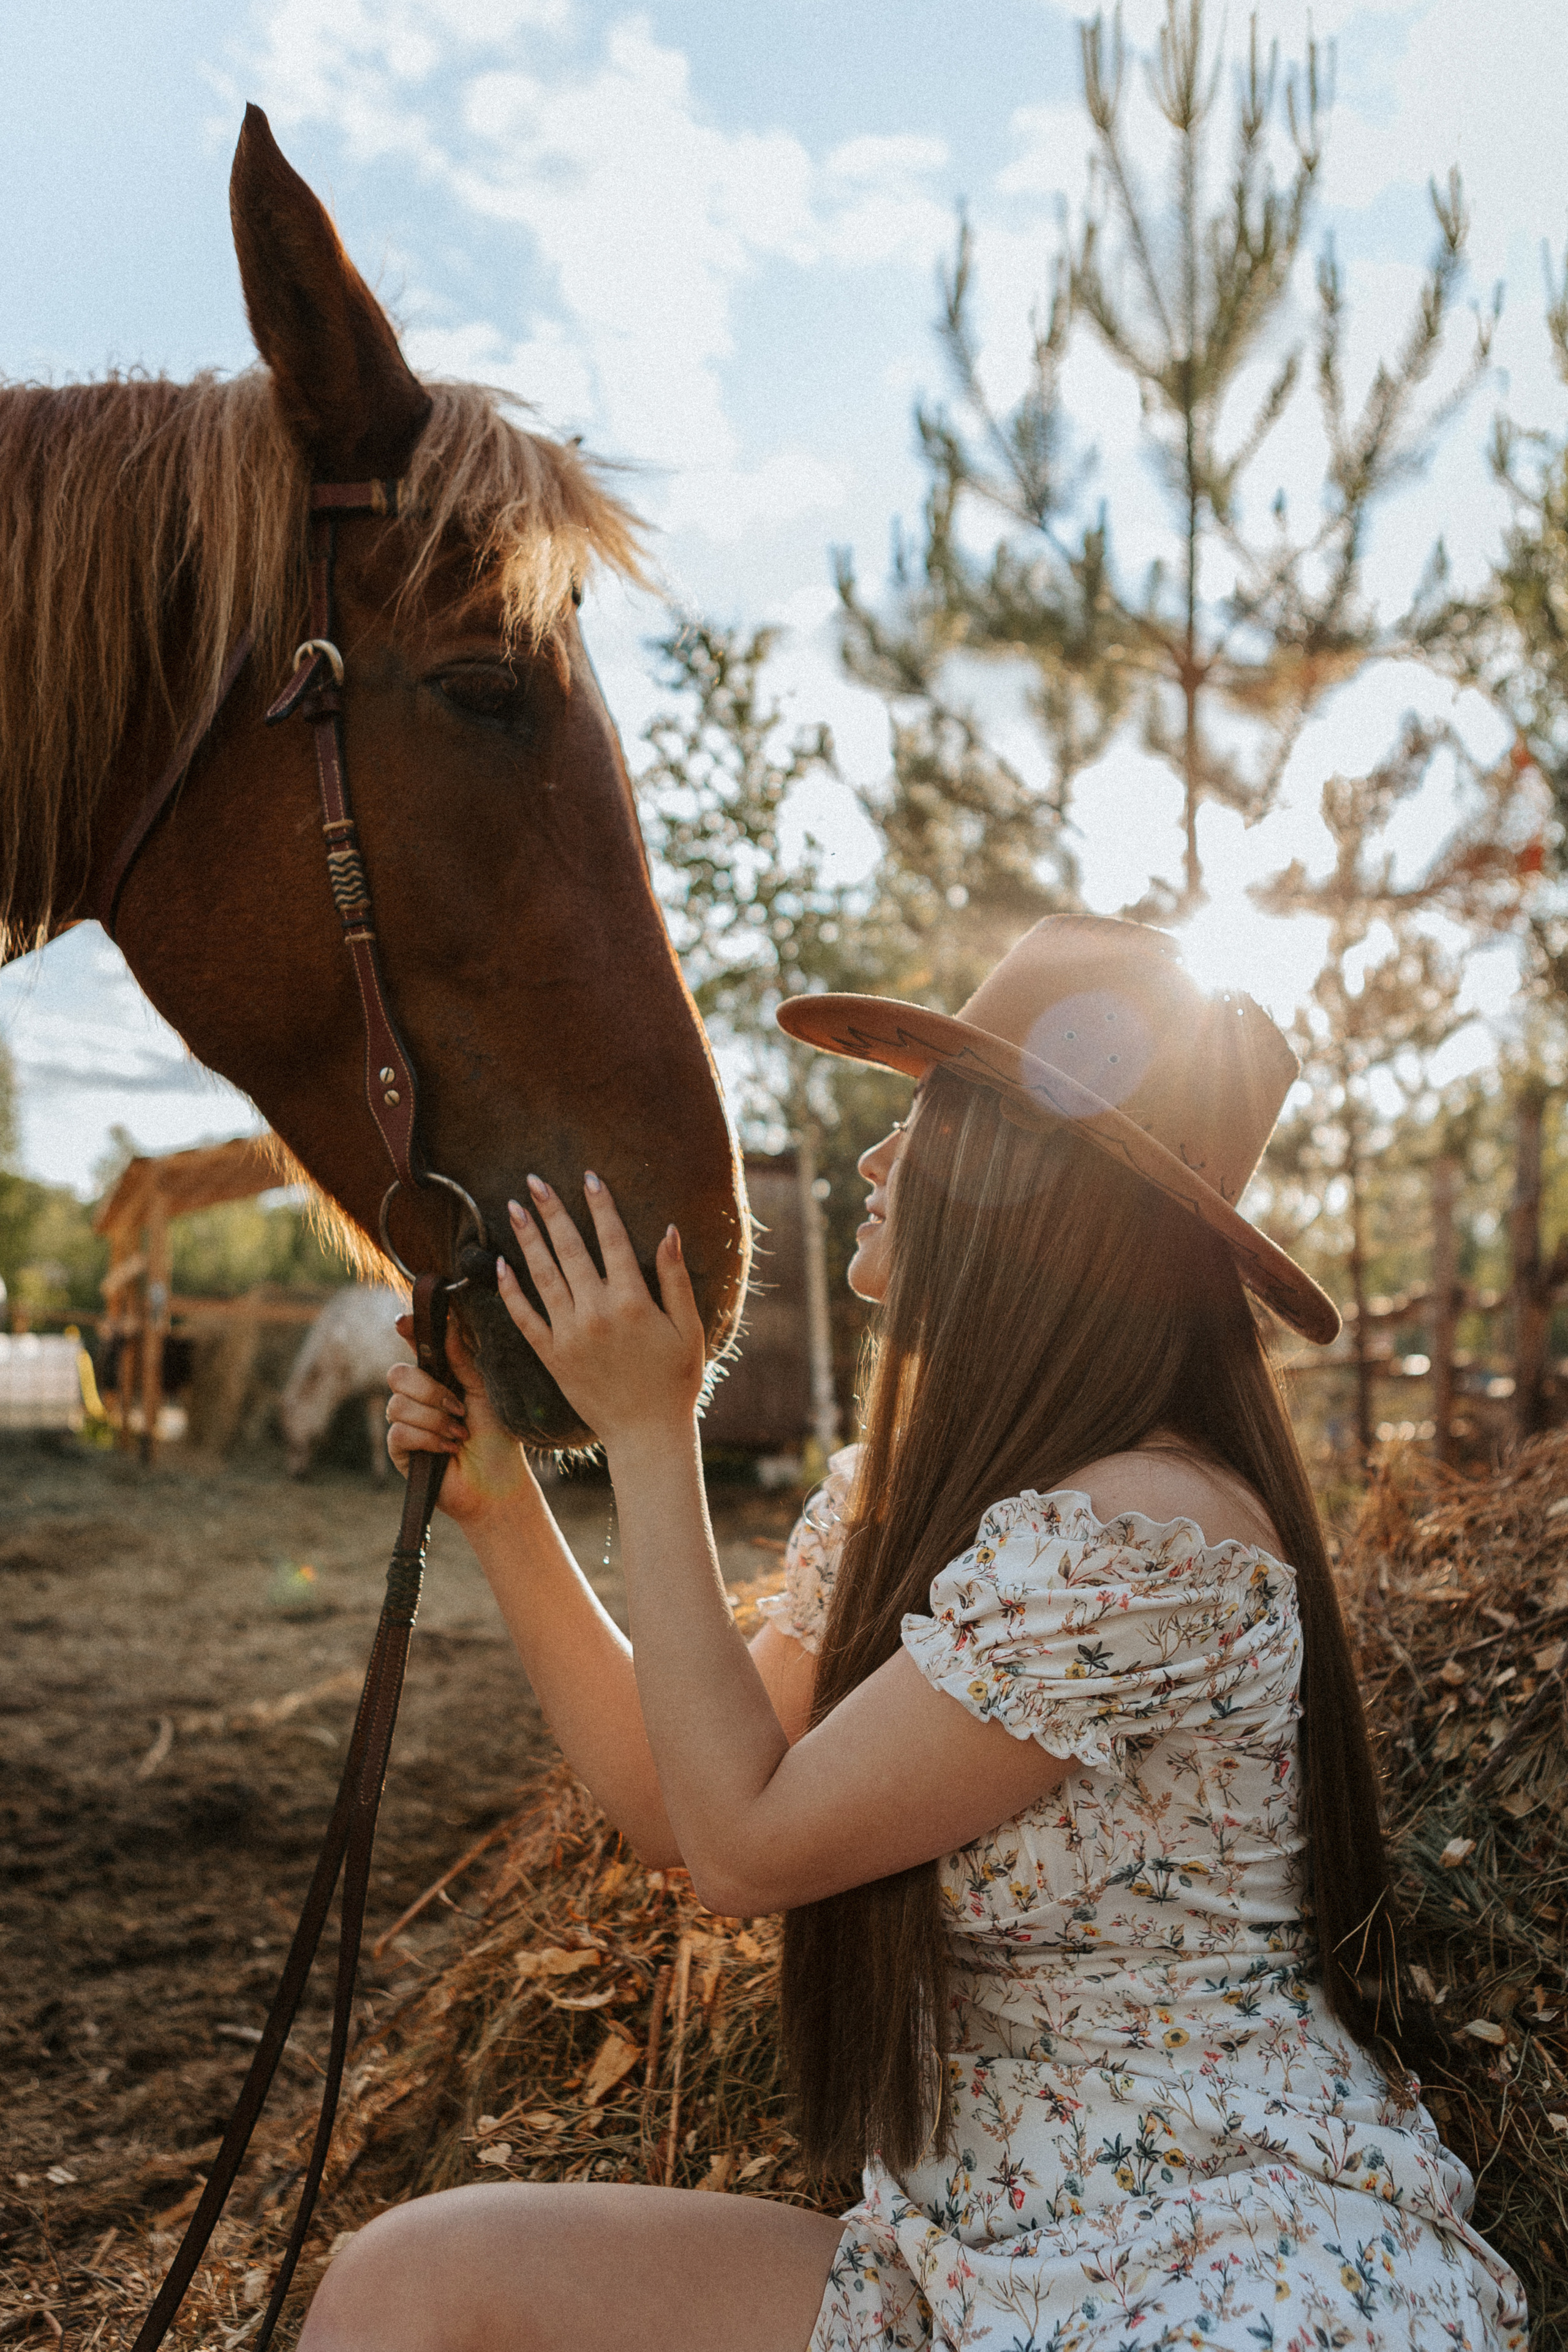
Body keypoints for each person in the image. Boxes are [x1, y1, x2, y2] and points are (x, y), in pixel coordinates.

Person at [304, 914, 1526, 2352]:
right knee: (410, 2282)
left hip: (1219, 2261)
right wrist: (506, 1516)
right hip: (955, 2248)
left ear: (1035, 1180)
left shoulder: (1145, 1536)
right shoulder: (911, 1500)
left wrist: (649, 1429)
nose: (877, 1162)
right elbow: (675, 1807)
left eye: (926, 1116)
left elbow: (749, 1851)